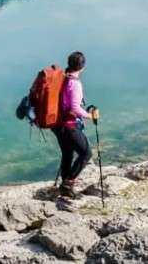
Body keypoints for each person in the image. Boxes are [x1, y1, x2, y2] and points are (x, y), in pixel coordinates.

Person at [54, 50, 99, 198]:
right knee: (86, 153)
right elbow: (74, 107)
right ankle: (68, 183)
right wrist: (90, 115)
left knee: (67, 153)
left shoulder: (62, 78)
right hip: (69, 124)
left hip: (57, 124)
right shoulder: (75, 83)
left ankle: (64, 186)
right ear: (82, 67)